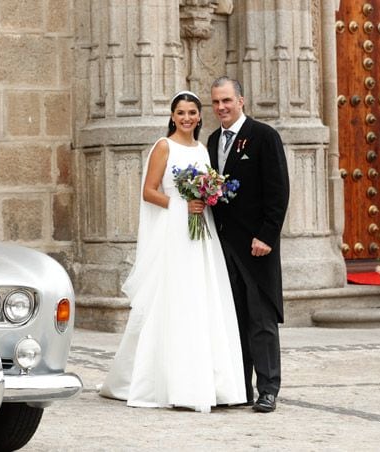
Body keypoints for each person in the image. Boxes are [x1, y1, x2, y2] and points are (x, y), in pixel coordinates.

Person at [99, 91, 246, 412]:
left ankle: (211, 382)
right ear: (172, 115)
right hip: (175, 234)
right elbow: (149, 192)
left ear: (198, 115)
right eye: (181, 112)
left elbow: (211, 189)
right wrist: (181, 203)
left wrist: (206, 198)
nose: (187, 118)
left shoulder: (203, 149)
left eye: (192, 112)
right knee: (176, 298)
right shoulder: (164, 147)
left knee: (202, 298)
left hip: (200, 234)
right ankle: (168, 382)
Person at [207, 76, 290, 413]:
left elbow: (278, 190)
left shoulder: (264, 136)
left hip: (256, 247)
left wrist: (267, 236)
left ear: (241, 100)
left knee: (261, 320)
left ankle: (268, 387)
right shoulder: (212, 141)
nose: (221, 108)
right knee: (234, 319)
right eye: (215, 102)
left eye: (227, 100)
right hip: (224, 245)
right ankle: (240, 387)